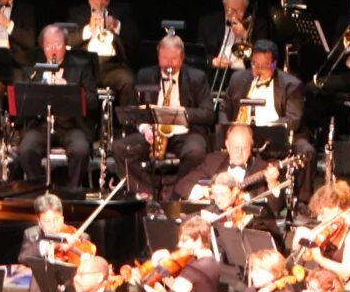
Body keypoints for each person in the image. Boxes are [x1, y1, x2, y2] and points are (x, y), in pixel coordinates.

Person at [114, 35, 213, 199]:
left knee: (196, 152)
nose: (169, 63)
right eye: (165, 58)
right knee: (119, 148)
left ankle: (177, 191)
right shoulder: (144, 75)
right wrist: (145, 128)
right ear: (158, 56)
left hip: (186, 132)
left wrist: (183, 112)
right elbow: (134, 111)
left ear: (182, 58)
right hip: (154, 132)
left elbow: (208, 114)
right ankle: (149, 188)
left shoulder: (197, 77)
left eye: (174, 59)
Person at [219, 41, 315, 201]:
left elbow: (293, 119)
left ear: (274, 64)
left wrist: (265, 126)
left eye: (264, 65)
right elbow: (224, 108)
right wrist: (227, 131)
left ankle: (303, 202)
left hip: (273, 136)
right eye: (254, 64)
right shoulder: (238, 78)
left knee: (306, 150)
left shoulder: (291, 84)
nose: (257, 70)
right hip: (241, 135)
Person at [15, 25, 97, 190]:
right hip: (42, 125)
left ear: (65, 45)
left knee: (80, 150)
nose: (52, 49)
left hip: (72, 126)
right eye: (48, 45)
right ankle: (40, 189)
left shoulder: (81, 66)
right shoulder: (33, 70)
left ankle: (72, 192)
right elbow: (22, 105)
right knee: (25, 150)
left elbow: (93, 101)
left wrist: (71, 90)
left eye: (57, 44)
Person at [69, 0, 137, 99]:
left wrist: (117, 25)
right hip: (85, 67)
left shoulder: (123, 10)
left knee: (128, 80)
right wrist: (89, 29)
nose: (101, 0)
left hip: (112, 67)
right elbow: (67, 42)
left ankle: (127, 118)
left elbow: (134, 40)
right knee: (71, 82)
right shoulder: (76, 13)